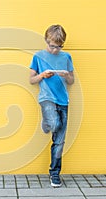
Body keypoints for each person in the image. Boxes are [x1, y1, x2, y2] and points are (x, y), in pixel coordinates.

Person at [29, 24, 74, 187]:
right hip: (47, 98)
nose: (55, 50)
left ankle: (54, 174)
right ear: (46, 40)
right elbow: (31, 80)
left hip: (63, 101)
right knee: (54, 123)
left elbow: (71, 81)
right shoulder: (38, 56)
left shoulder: (67, 57)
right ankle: (48, 121)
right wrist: (42, 75)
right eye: (52, 46)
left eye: (59, 46)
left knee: (60, 141)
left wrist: (67, 74)